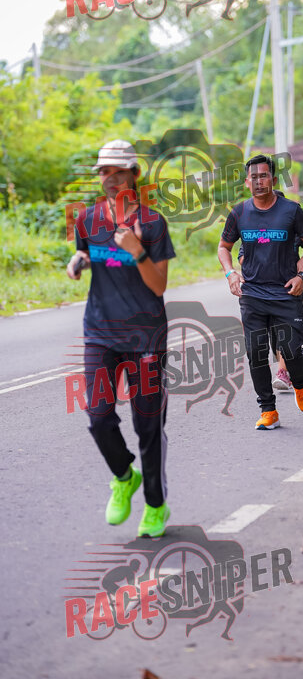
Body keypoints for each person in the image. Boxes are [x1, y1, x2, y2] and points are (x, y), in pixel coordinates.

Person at [67, 140, 176, 536]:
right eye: (103, 171)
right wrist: (78, 261)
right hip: (100, 333)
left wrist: (137, 250)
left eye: (118, 171)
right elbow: (86, 253)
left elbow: (159, 285)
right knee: (98, 418)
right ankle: (124, 476)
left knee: (148, 425)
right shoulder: (87, 219)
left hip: (146, 336)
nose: (110, 178)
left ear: (134, 174)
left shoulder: (153, 223)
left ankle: (156, 505)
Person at [218, 155, 303, 430]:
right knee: (256, 352)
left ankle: (299, 383)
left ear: (273, 180)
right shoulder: (239, 212)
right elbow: (224, 247)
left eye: (263, 176)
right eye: (254, 177)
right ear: (246, 181)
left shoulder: (291, 210)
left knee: (291, 351)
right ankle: (268, 410)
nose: (259, 181)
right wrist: (230, 273)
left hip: (286, 293)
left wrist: (301, 275)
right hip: (252, 295)